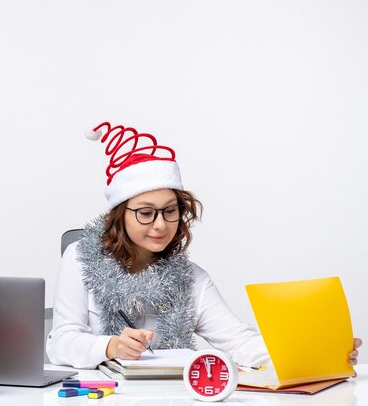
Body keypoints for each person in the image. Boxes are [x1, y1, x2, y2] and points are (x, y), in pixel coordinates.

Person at [45, 121, 362, 370]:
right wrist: (109, 347)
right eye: (145, 212)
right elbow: (60, 342)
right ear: (119, 215)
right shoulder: (80, 258)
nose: (160, 224)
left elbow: (240, 342)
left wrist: (316, 351)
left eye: (170, 211)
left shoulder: (192, 279)